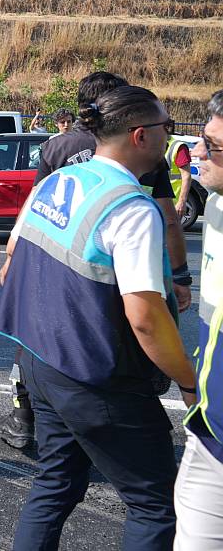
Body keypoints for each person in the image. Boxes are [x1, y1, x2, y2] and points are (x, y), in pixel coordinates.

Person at [0, 85, 198, 550]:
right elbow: (145, 318)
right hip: (97, 378)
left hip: (40, 362)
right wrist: (189, 382)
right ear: (141, 134)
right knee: (154, 504)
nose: (171, 137)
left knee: (56, 484)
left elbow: (12, 262)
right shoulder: (131, 209)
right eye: (167, 128)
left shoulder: (57, 182)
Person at [174, 90, 223, 549]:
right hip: (209, 432)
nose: (199, 153)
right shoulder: (216, 206)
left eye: (216, 147)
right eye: (203, 138)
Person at [166, 136, 193, 220]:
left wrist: (181, 202)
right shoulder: (150, 145)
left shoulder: (178, 147)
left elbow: (186, 176)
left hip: (172, 205)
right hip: (153, 201)